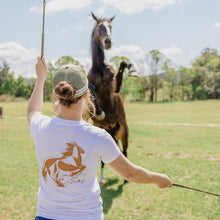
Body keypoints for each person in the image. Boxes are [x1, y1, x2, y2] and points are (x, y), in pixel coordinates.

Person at [27, 57, 172, 220]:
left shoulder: (41, 126)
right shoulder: (98, 137)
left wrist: (40, 79)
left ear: (56, 95)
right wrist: (159, 179)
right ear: (86, 95)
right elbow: (130, 174)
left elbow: (32, 111)